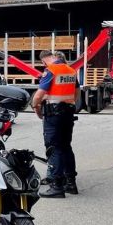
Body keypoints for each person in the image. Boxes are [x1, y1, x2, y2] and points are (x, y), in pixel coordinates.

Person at [33, 50, 79, 198]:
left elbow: (39, 95)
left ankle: (57, 186)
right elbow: (77, 93)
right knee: (66, 147)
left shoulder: (50, 71)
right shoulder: (71, 70)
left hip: (53, 115)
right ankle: (71, 183)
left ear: (43, 61)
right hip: (68, 113)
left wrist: (35, 106)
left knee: (54, 149)